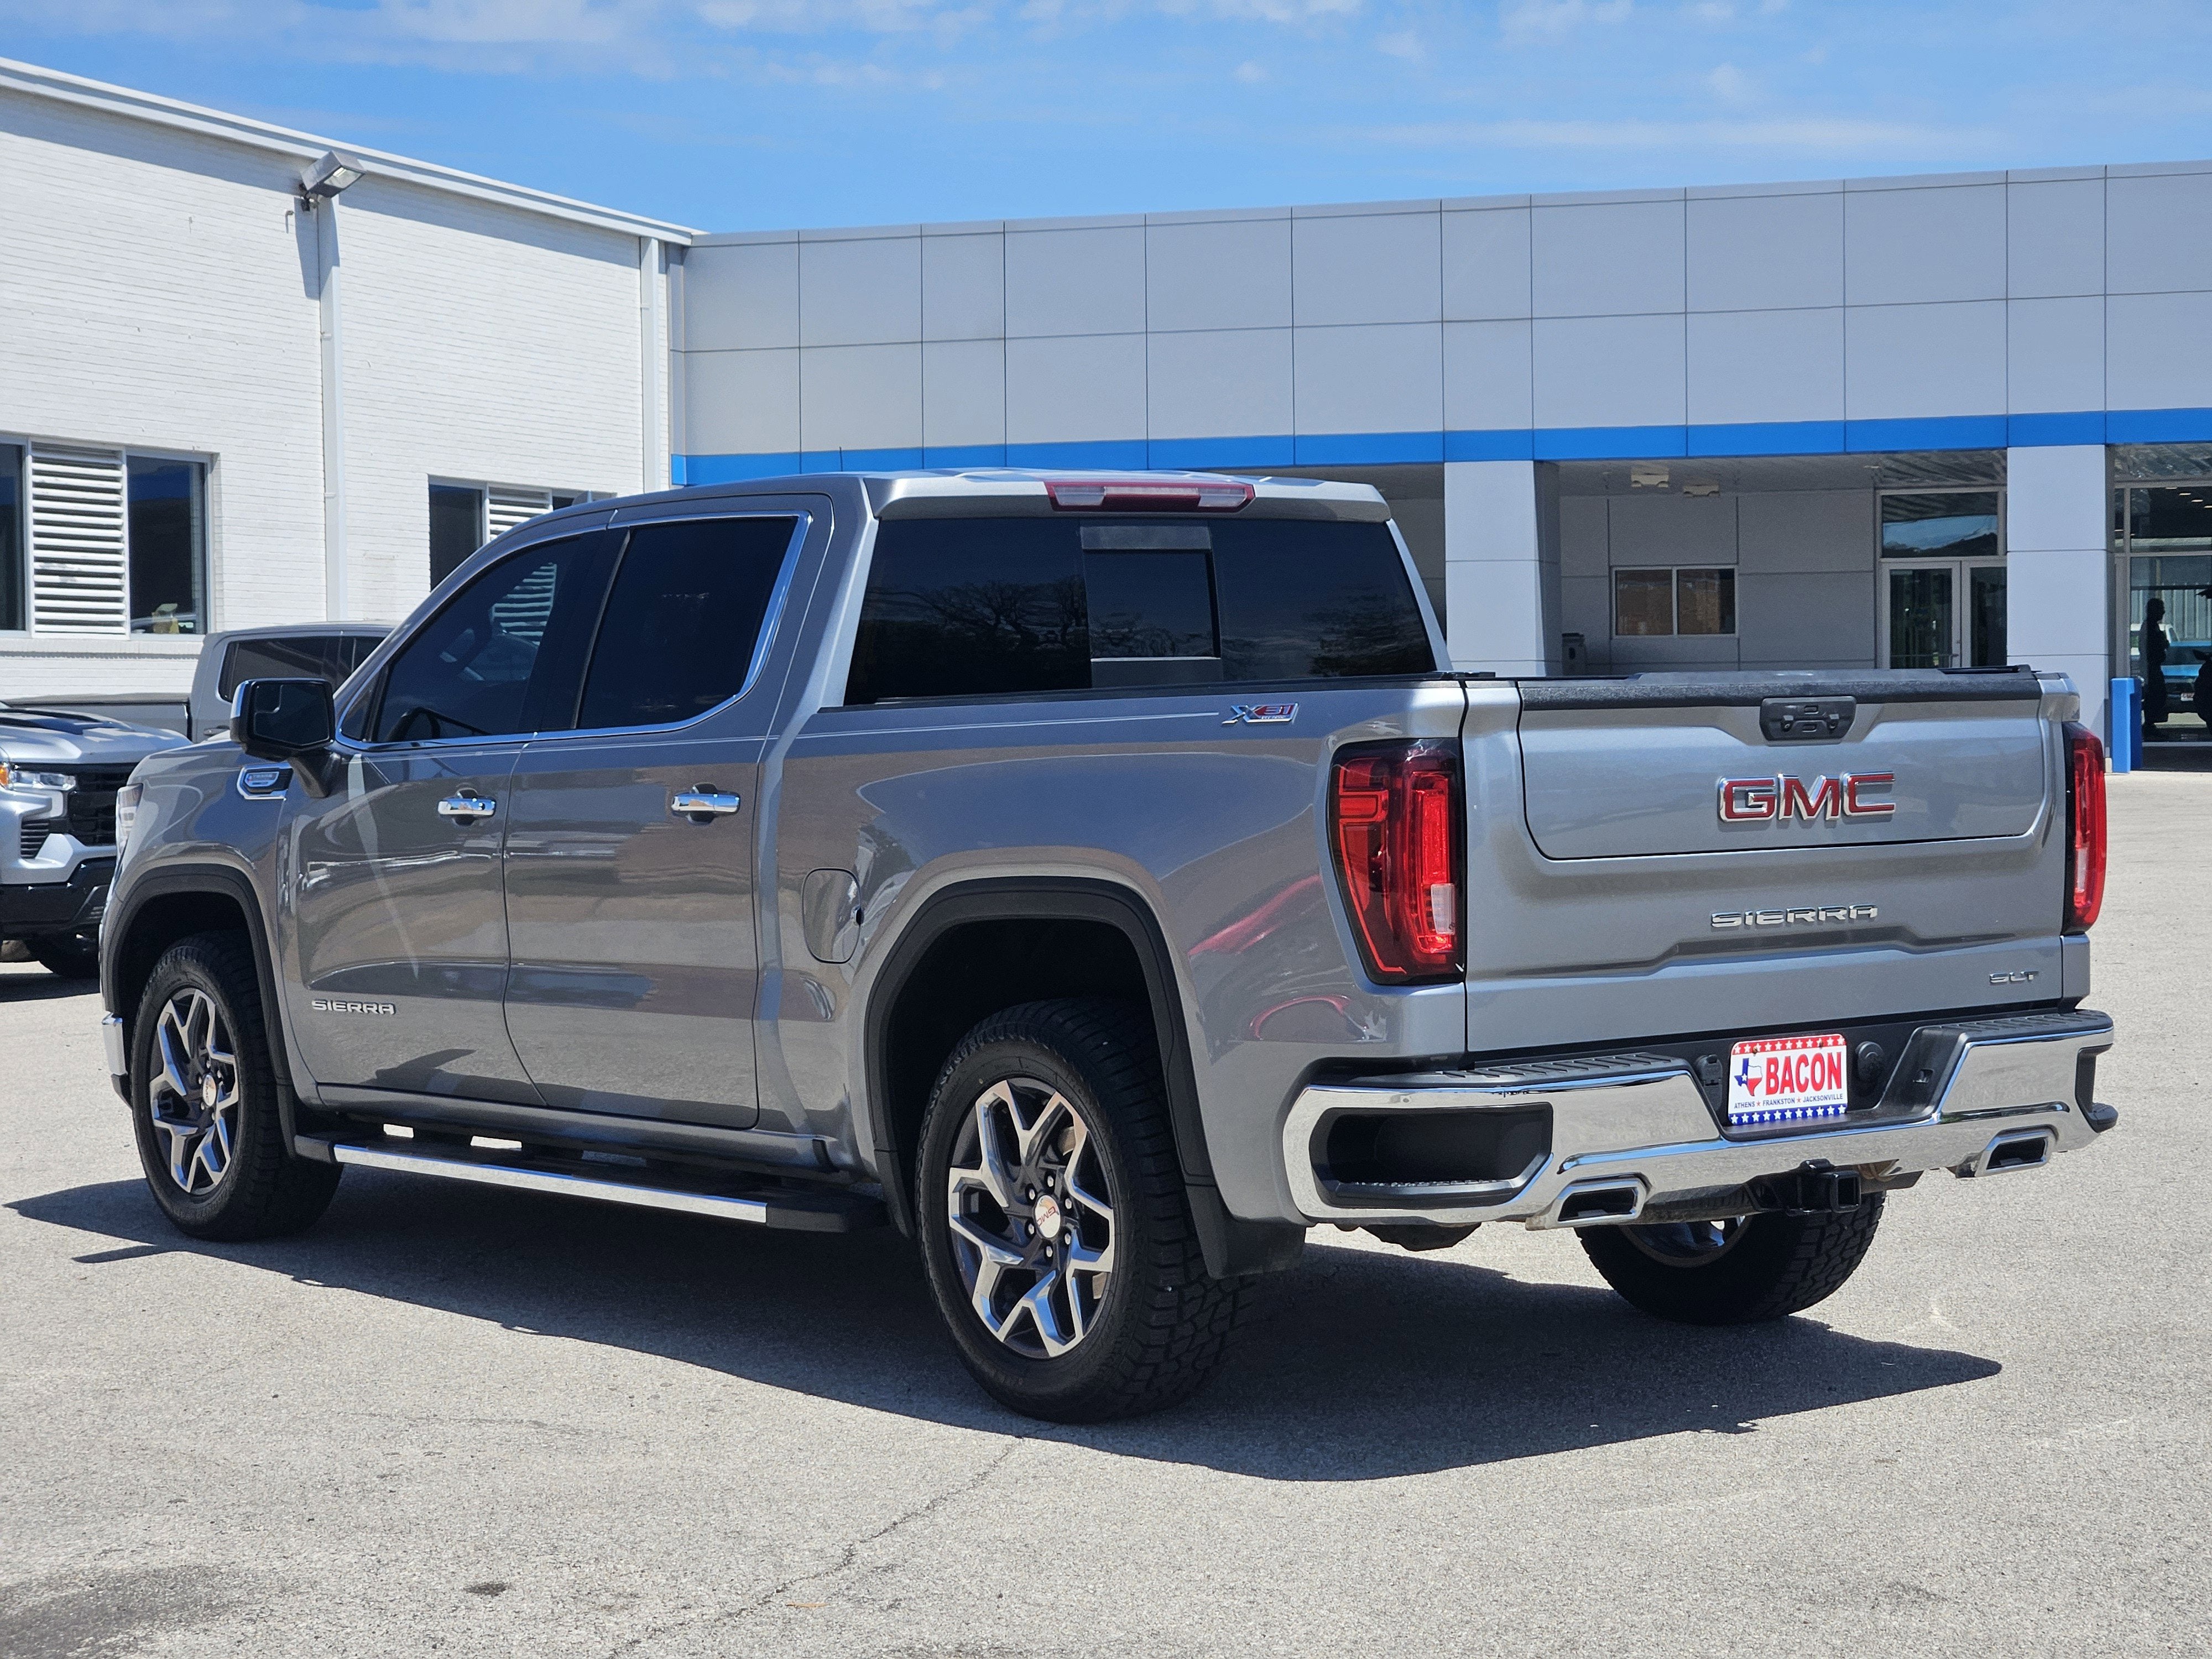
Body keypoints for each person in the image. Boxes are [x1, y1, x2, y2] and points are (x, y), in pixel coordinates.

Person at [2142, 597, 2169, 743]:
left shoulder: (2153, 627)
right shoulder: (2149, 628)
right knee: (2154, 695)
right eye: (2161, 609)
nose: (2164, 612)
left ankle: (2151, 724)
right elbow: (2153, 648)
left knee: (2159, 695)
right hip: (2151, 669)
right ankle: (2149, 725)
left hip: (2154, 667)